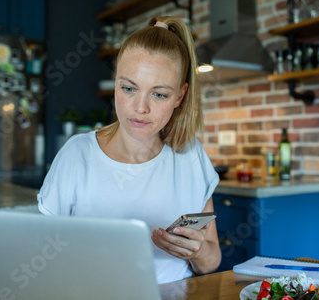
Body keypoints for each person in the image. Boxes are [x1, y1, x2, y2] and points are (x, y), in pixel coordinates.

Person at [37, 16, 221, 284]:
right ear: (115, 84)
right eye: (129, 88)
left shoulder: (191, 155)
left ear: (180, 96)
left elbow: (211, 261)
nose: (140, 108)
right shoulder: (77, 155)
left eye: (159, 94)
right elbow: (40, 259)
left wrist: (198, 251)